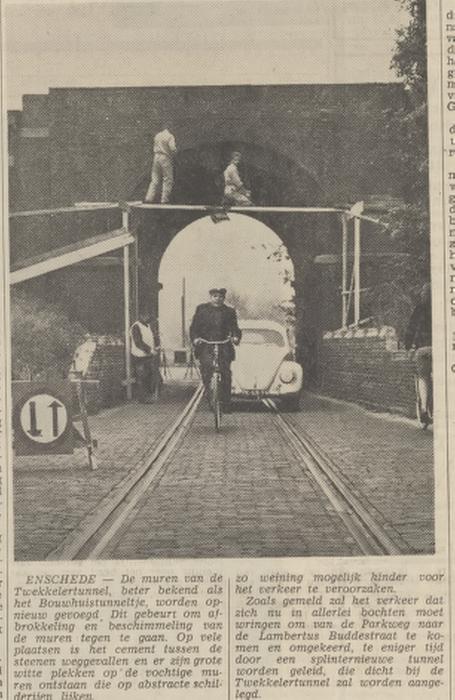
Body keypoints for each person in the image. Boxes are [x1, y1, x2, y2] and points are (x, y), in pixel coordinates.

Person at [190, 288, 241, 412]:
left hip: (223, 344)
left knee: (226, 373)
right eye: (215, 296)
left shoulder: (229, 311)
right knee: (206, 370)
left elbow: (235, 328)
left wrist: (235, 337)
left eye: (220, 297)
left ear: (224, 298)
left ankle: (226, 403)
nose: (217, 299)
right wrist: (196, 339)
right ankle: (210, 396)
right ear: (210, 297)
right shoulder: (202, 309)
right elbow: (194, 327)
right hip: (206, 344)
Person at [404, 282, 432, 423]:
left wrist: (408, 346)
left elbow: (411, 328)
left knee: (423, 377)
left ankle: (424, 409)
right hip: (440, 348)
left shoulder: (419, 309)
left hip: (423, 349)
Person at [130, 310, 160, 403]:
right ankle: (142, 398)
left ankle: (147, 396)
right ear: (141, 316)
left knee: (149, 376)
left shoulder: (148, 326)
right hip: (139, 355)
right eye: (145, 315)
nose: (147, 317)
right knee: (141, 377)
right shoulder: (136, 326)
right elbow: (138, 342)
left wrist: (156, 346)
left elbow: (152, 338)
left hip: (148, 355)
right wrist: (149, 350)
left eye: (148, 315)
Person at [144, 125, 177, 203]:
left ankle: (149, 198)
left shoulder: (158, 135)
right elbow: (172, 148)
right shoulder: (170, 136)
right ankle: (164, 199)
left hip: (156, 156)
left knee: (154, 178)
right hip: (165, 157)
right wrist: (175, 153)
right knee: (168, 178)